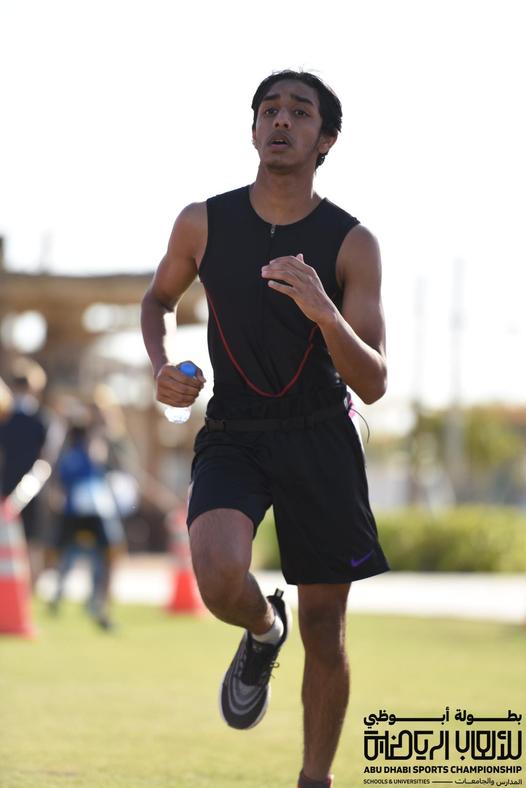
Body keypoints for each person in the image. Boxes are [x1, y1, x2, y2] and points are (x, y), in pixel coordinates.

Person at [141, 69, 389, 787]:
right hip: (235, 430)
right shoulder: (203, 222)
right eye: (269, 110)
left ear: (325, 140)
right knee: (219, 574)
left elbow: (374, 382)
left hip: (321, 434)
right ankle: (261, 628)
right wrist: (163, 366)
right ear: (253, 130)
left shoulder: (352, 242)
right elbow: (157, 301)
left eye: (299, 112)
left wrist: (324, 310)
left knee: (326, 632)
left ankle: (315, 778)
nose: (281, 120)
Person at [50, 422, 126, 630]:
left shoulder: (85, 458)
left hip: (88, 512)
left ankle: (89, 601)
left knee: (91, 558)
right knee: (73, 556)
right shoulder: (78, 458)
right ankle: (63, 595)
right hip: (81, 512)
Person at [0, 358, 48, 587]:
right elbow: (46, 458)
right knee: (29, 539)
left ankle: (26, 585)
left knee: (26, 538)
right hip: (24, 486)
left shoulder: (12, 419)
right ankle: (28, 585)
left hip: (20, 486)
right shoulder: (40, 419)